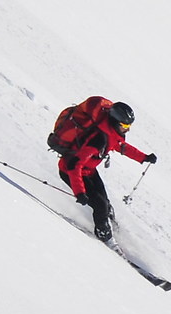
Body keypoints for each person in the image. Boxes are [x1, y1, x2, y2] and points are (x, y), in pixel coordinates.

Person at [47, 96, 156, 242]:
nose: (126, 130)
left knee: (106, 205)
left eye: (128, 127)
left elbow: (121, 146)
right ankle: (106, 239)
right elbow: (74, 164)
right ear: (114, 121)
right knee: (100, 205)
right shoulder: (98, 139)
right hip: (71, 171)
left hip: (89, 171)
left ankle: (114, 231)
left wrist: (144, 157)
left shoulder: (111, 132)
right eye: (124, 126)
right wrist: (79, 192)